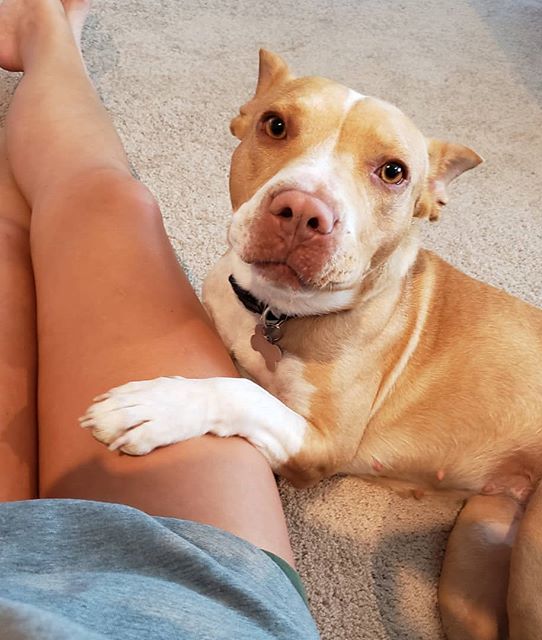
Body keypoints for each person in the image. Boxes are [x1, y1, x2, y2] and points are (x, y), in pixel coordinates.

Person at [0, 1, 319, 637]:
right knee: (107, 204)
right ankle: (45, 34)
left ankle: (45, 34)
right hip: (198, 600)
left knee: (21, 248)